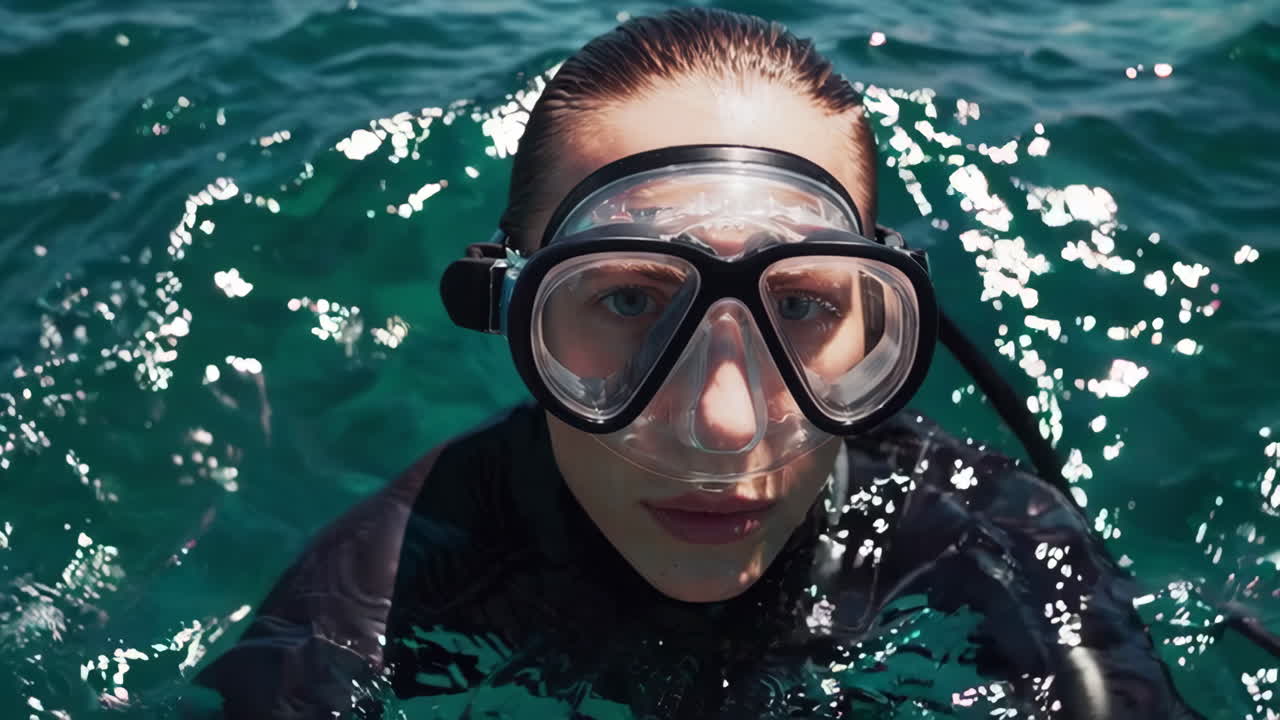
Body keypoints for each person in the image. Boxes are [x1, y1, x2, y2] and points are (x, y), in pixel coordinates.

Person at [194, 9, 1202, 719]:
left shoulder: (985, 544)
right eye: (630, 300)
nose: (722, 427)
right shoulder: (380, 595)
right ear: (516, 313)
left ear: (879, 322)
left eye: (801, 305)